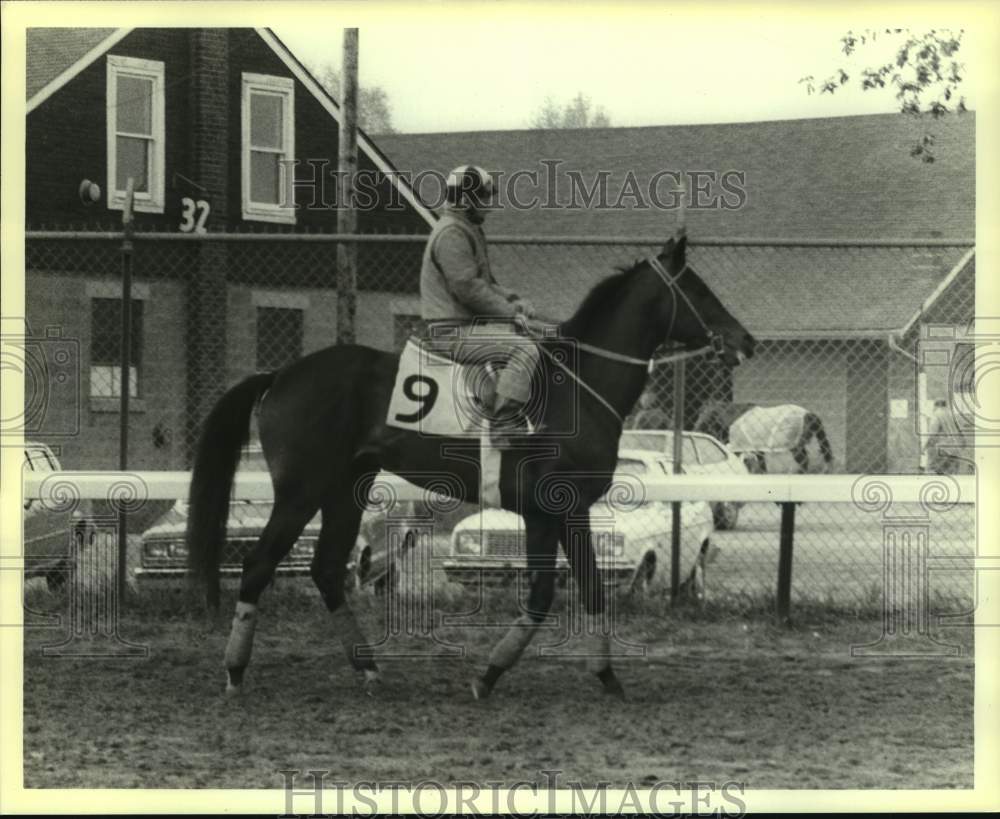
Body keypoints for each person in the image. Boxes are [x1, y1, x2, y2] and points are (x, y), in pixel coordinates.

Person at [419, 165, 539, 443]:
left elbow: (483, 282)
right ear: (466, 200)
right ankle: (503, 425)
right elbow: (468, 289)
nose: (490, 205)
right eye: (485, 198)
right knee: (526, 350)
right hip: (450, 333)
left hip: (463, 327)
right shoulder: (452, 235)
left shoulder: (464, 229)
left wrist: (514, 301)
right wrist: (511, 315)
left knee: (530, 337)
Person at [924, 399, 966, 474]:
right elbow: (961, 434)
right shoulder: (953, 415)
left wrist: (925, 447)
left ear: (935, 406)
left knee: (931, 472)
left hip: (943, 451)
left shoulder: (936, 415)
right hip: (956, 451)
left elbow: (933, 435)